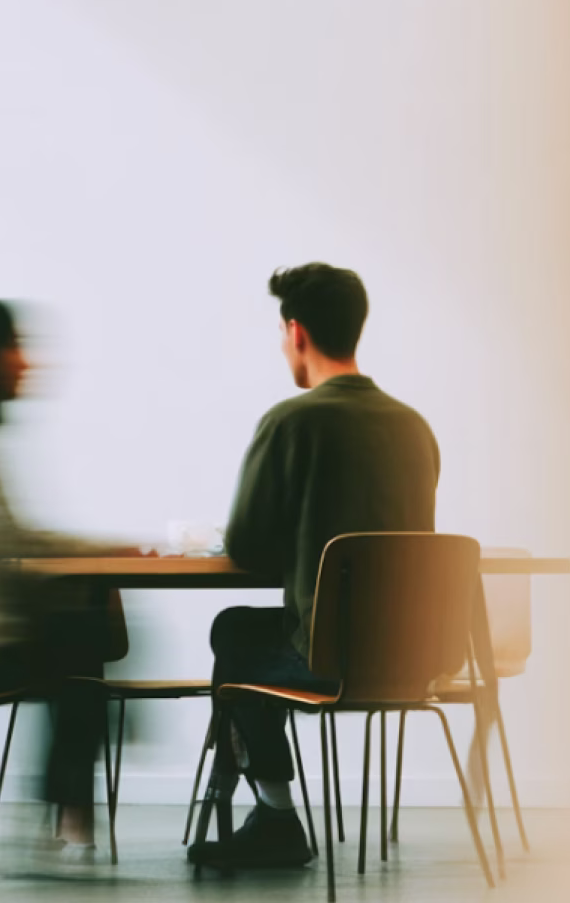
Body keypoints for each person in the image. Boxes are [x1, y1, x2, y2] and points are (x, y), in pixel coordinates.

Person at [188, 264, 440, 868]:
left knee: (235, 632)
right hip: (415, 655)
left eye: (281, 334)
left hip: (325, 661)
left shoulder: (290, 423)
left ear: (295, 331)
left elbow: (247, 547)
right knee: (254, 632)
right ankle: (264, 817)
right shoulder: (415, 428)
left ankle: (275, 817)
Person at [0, 298, 141, 859]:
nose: (28, 362)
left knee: (81, 631)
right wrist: (102, 552)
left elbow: (17, 539)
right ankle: (73, 804)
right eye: (15, 346)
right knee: (86, 635)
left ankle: (68, 806)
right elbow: (11, 546)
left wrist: (94, 550)